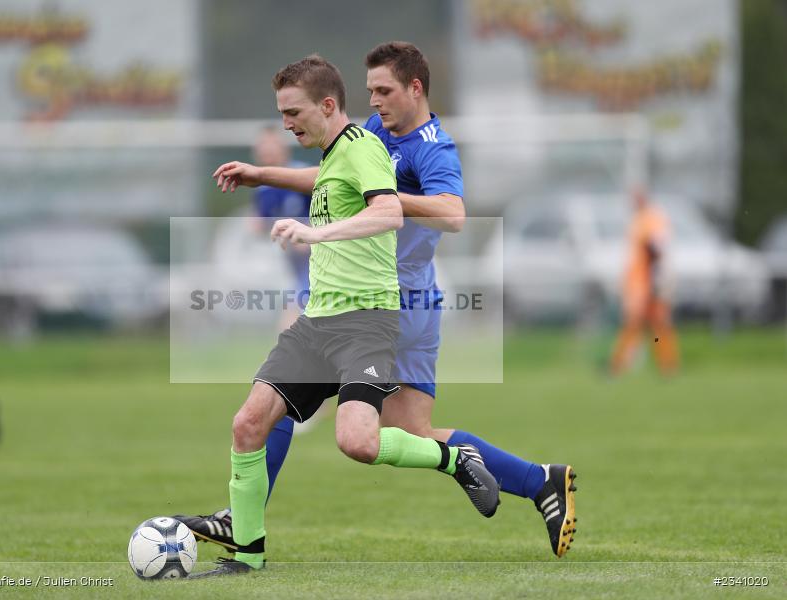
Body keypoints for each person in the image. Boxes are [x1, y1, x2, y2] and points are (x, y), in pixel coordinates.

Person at [182, 42, 577, 559]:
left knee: (346, 428)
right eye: (369, 91)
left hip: (391, 302)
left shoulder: (430, 146)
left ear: (416, 88)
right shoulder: (375, 133)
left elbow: (453, 214)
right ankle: (538, 479)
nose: (375, 102)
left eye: (384, 91)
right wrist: (264, 174)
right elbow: (338, 177)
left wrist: (382, 194)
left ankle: (244, 523)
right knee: (403, 431)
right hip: (373, 298)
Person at [609, 186, 680, 375]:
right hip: (641, 282)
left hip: (649, 282)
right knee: (644, 324)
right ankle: (622, 364)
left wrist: (656, 279)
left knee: (653, 324)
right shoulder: (639, 219)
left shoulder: (651, 218)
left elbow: (656, 248)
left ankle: (665, 364)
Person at [250, 125, 312, 330]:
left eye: (271, 146)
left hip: (319, 263)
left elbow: (331, 214)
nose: (266, 151)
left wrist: (309, 235)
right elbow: (261, 224)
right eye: (262, 147)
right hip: (293, 267)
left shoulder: (304, 176)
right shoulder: (262, 189)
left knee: (290, 325)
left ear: (284, 148)